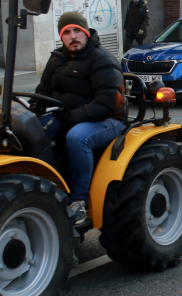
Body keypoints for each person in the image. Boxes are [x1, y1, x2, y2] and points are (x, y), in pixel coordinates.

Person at [35, 12, 127, 225]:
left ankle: (79, 201)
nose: (73, 36)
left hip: (107, 119)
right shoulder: (57, 58)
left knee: (77, 137)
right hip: (68, 115)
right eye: (67, 32)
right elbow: (43, 90)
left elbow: (105, 104)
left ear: (86, 32)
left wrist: (70, 118)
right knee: (28, 131)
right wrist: (35, 108)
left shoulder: (101, 58)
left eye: (77, 30)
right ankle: (43, 192)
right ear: (62, 37)